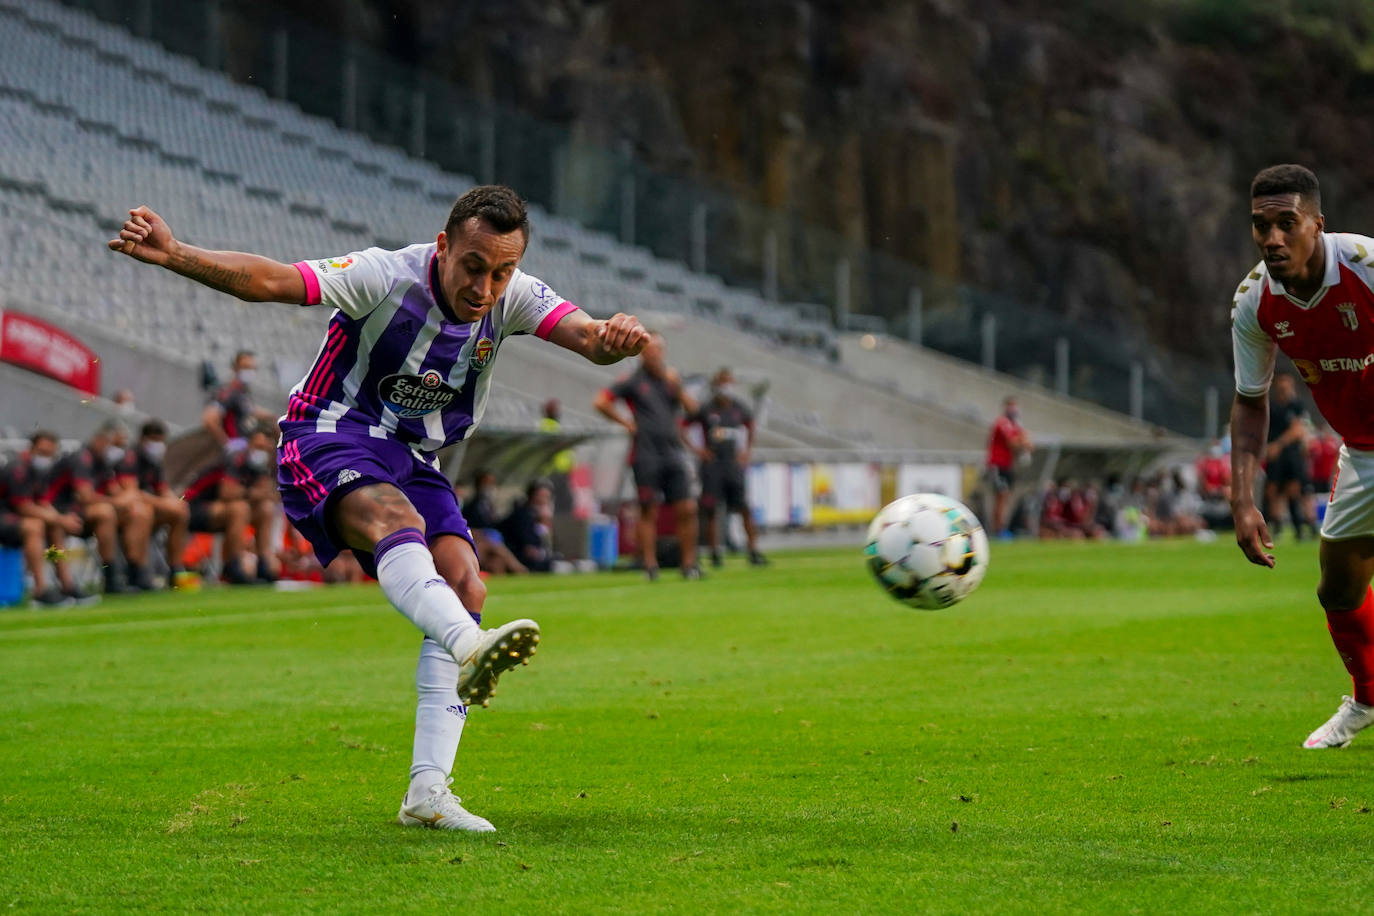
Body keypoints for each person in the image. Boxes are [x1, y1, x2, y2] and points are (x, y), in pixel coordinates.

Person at [108, 184, 650, 831]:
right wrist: (177, 255)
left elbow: (589, 338)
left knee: (466, 579)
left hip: (414, 457)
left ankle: (428, 793)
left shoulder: (514, 295)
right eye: (473, 266)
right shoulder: (385, 276)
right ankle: (468, 645)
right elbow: (272, 281)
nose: (485, 287)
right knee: (400, 524)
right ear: (445, 246)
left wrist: (614, 338)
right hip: (327, 433)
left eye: (501, 272)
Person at [1230, 163, 1374, 749]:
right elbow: (1249, 403)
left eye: (1286, 223)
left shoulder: (1366, 267)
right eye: (1261, 226)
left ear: (1318, 223)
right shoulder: (1254, 303)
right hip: (1363, 452)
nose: (1272, 239)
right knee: (1337, 589)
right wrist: (1243, 499)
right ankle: (1367, 698)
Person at [594, 332, 701, 580]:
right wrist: (626, 423)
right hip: (646, 453)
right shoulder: (633, 381)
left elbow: (694, 410)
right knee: (647, 509)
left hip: (673, 451)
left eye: (658, 349)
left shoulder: (671, 380)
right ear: (642, 352)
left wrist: (678, 387)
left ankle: (689, 564)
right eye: (649, 349)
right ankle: (650, 565)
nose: (654, 354)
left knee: (686, 507)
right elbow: (601, 401)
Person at [686, 368, 766, 568]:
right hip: (712, 466)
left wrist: (746, 451)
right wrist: (697, 450)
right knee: (712, 509)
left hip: (733, 464)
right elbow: (682, 424)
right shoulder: (706, 409)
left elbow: (750, 425)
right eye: (723, 382)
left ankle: (753, 550)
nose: (727, 387)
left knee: (743, 507)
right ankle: (714, 553)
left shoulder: (739, 408)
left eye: (730, 382)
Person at [111, 420, 193, 587]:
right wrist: (163, 503)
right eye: (154, 440)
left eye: (160, 441)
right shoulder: (130, 459)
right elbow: (132, 493)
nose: (158, 445)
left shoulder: (154, 461)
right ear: (143, 439)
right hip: (127, 510)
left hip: (149, 507)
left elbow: (163, 489)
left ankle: (176, 569)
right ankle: (137, 570)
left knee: (180, 511)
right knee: (143, 512)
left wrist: (175, 502)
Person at [0, 452, 63, 606]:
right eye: (42, 451)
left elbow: (42, 503)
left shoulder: (38, 473)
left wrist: (59, 519)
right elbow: (23, 507)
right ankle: (40, 589)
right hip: (6, 517)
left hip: (13, 520)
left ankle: (66, 584)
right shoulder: (17, 469)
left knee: (54, 526)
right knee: (35, 526)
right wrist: (60, 518)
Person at [1264, 372, 1313, 539]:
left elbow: (1298, 430)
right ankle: (1275, 526)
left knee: (1294, 489)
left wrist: (1279, 444)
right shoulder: (1271, 406)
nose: (1284, 387)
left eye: (1287, 384)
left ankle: (1299, 527)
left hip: (1291, 453)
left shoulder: (1296, 405)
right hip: (1273, 454)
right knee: (1272, 490)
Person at [203, 350, 278, 453]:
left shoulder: (242, 392)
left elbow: (250, 409)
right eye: (245, 367)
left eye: (252, 368)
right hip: (236, 451)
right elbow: (209, 420)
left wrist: (274, 416)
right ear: (235, 368)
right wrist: (227, 444)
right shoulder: (227, 392)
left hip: (245, 444)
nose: (249, 372)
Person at [986, 397, 1031, 536]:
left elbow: (1026, 441)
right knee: (1001, 496)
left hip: (1007, 465)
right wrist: (1023, 442)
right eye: (1011, 406)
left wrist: (1024, 441)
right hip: (998, 465)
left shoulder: (1015, 425)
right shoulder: (1002, 423)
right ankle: (997, 530)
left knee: (1005, 498)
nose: (1014, 410)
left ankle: (1001, 528)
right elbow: (1013, 443)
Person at [500, 478, 555, 573]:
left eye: (546, 497)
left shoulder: (539, 516)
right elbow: (527, 547)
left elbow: (546, 545)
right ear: (531, 495)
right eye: (540, 495)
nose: (542, 500)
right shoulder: (523, 514)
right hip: (517, 555)